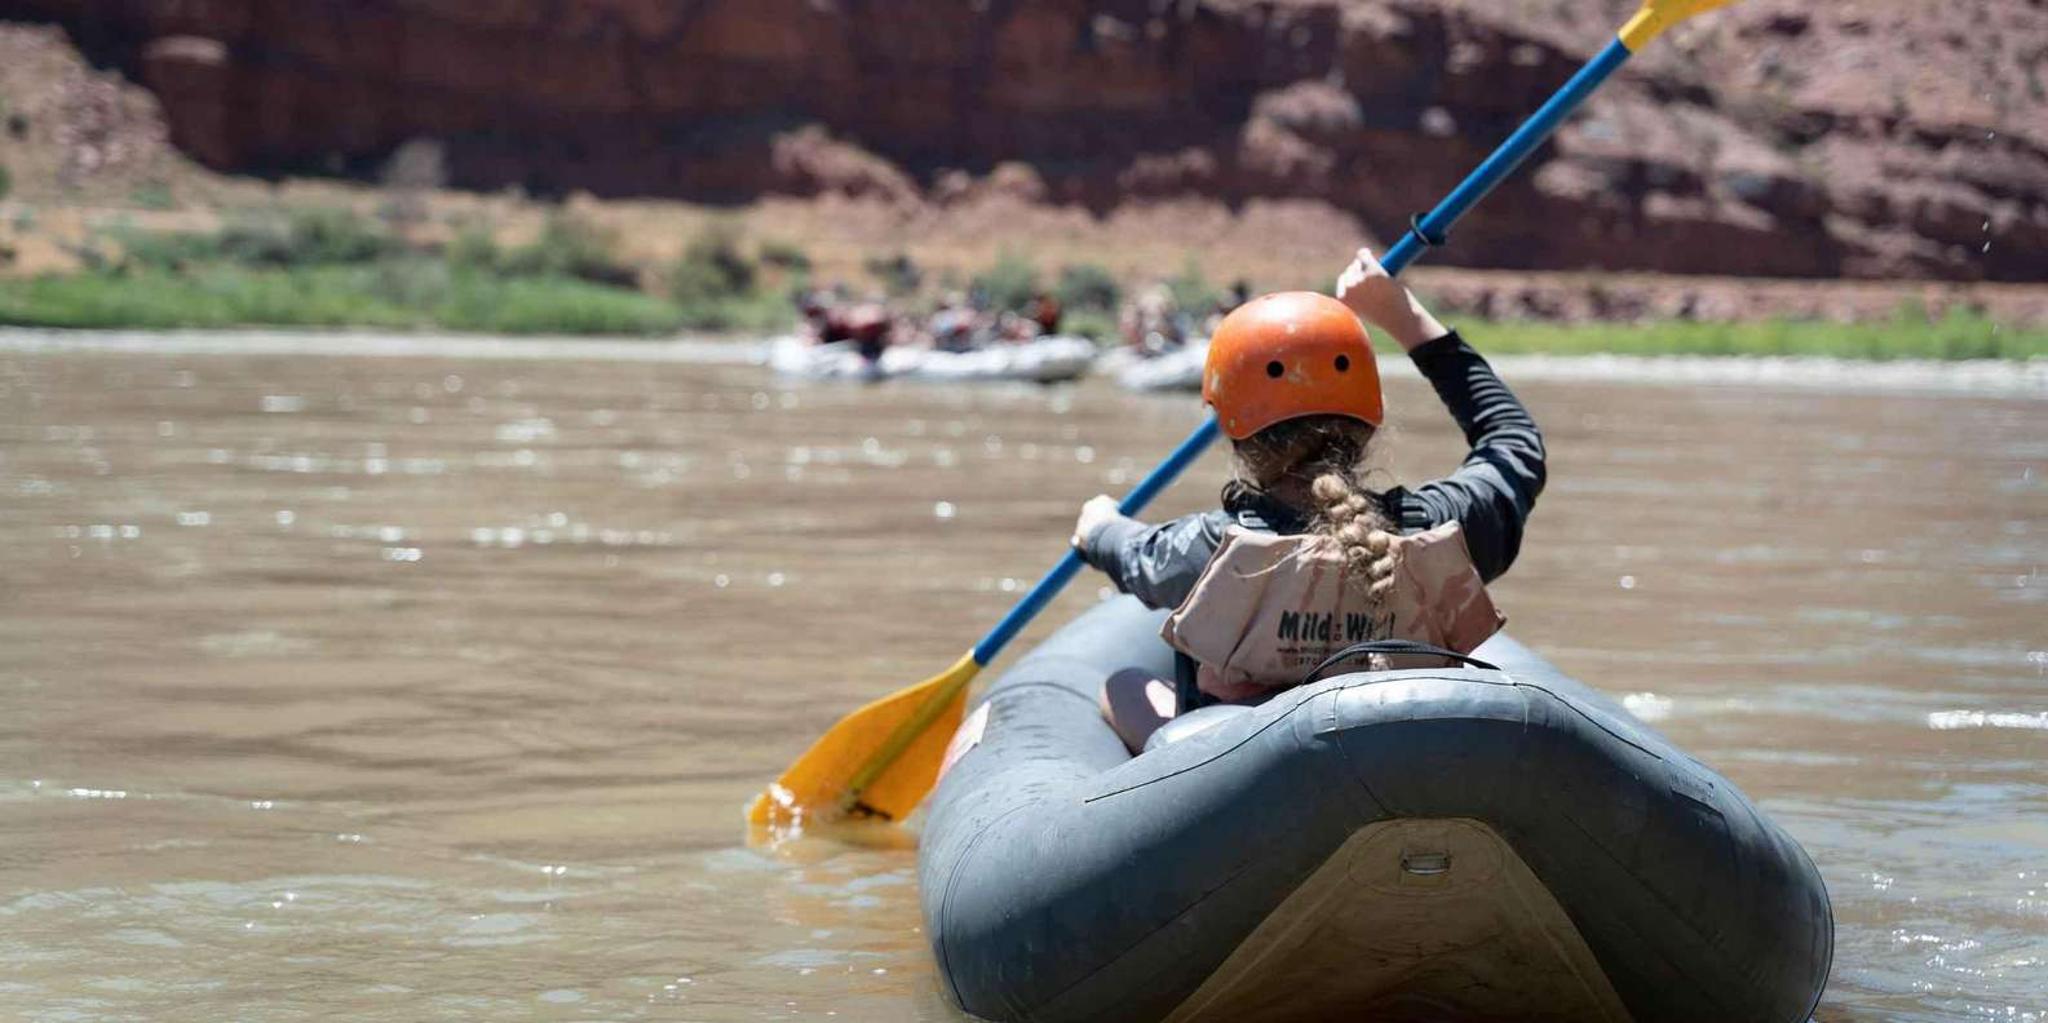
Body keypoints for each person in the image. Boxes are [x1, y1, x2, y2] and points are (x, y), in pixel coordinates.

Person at [1070, 247, 1546, 751]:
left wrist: (1097, 528)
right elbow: (1513, 443)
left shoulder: (1208, 549)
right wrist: (1403, 318)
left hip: (1246, 782)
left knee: (1122, 687)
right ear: (1370, 416)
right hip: (1408, 758)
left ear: (1232, 428)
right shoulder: (1442, 529)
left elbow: (1131, 553)